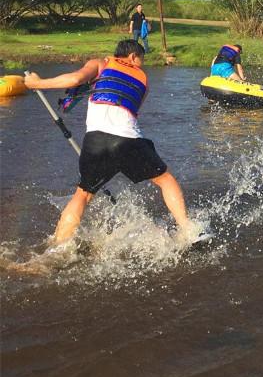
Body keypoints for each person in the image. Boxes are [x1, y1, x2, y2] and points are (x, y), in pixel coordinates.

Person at [24, 40, 205, 246]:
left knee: (83, 195)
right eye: (141, 60)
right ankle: (188, 231)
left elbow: (75, 79)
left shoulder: (100, 64)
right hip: (127, 139)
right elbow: (131, 111)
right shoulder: (143, 82)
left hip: (95, 141)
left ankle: (57, 247)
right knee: (165, 179)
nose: (141, 65)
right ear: (133, 57)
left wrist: (37, 83)